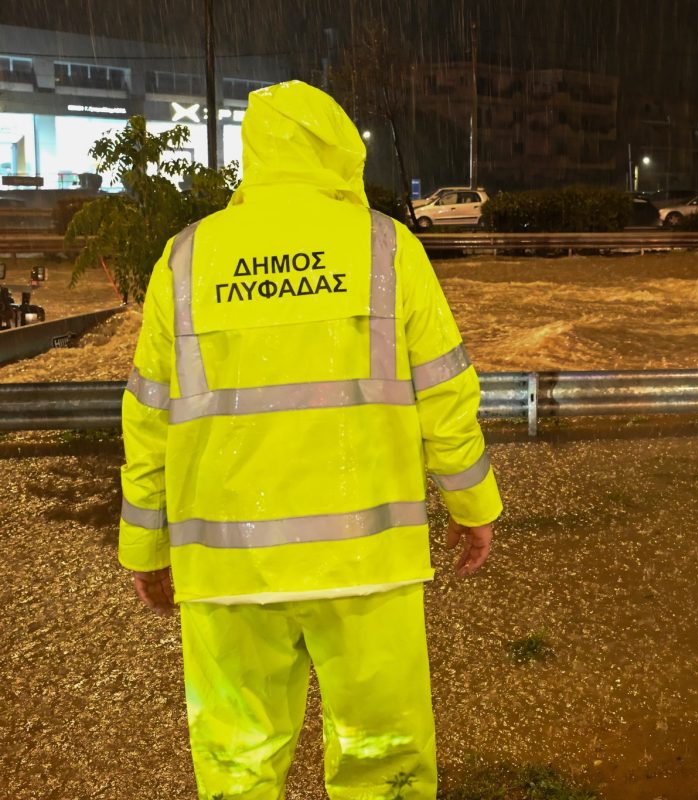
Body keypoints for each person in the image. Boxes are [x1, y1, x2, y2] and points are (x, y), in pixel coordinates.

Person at [118, 80, 502, 800]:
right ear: (339, 155)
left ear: (254, 156)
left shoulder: (186, 258)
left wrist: (145, 546)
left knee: (237, 767)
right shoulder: (387, 249)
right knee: (383, 763)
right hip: (366, 566)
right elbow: (445, 394)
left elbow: (147, 418)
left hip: (228, 572)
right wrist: (472, 503)